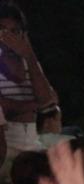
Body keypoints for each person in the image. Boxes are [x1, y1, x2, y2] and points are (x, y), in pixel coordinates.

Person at [0, 1, 57, 167]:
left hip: (32, 137)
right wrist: (34, 105)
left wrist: (29, 56)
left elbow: (47, 100)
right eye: (2, 30)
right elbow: (4, 108)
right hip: (5, 139)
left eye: (15, 31)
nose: (8, 36)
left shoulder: (29, 63)